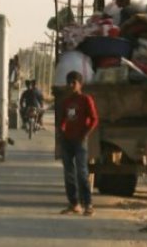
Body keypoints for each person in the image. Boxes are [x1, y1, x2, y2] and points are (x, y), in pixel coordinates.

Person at [58, 71, 98, 216]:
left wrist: (85, 134)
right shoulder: (67, 102)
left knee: (82, 172)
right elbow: (63, 120)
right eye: (69, 82)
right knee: (68, 173)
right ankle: (74, 204)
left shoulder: (86, 99)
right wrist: (62, 131)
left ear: (80, 84)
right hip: (67, 141)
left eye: (73, 82)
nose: (70, 85)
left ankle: (88, 204)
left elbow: (94, 119)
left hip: (80, 142)